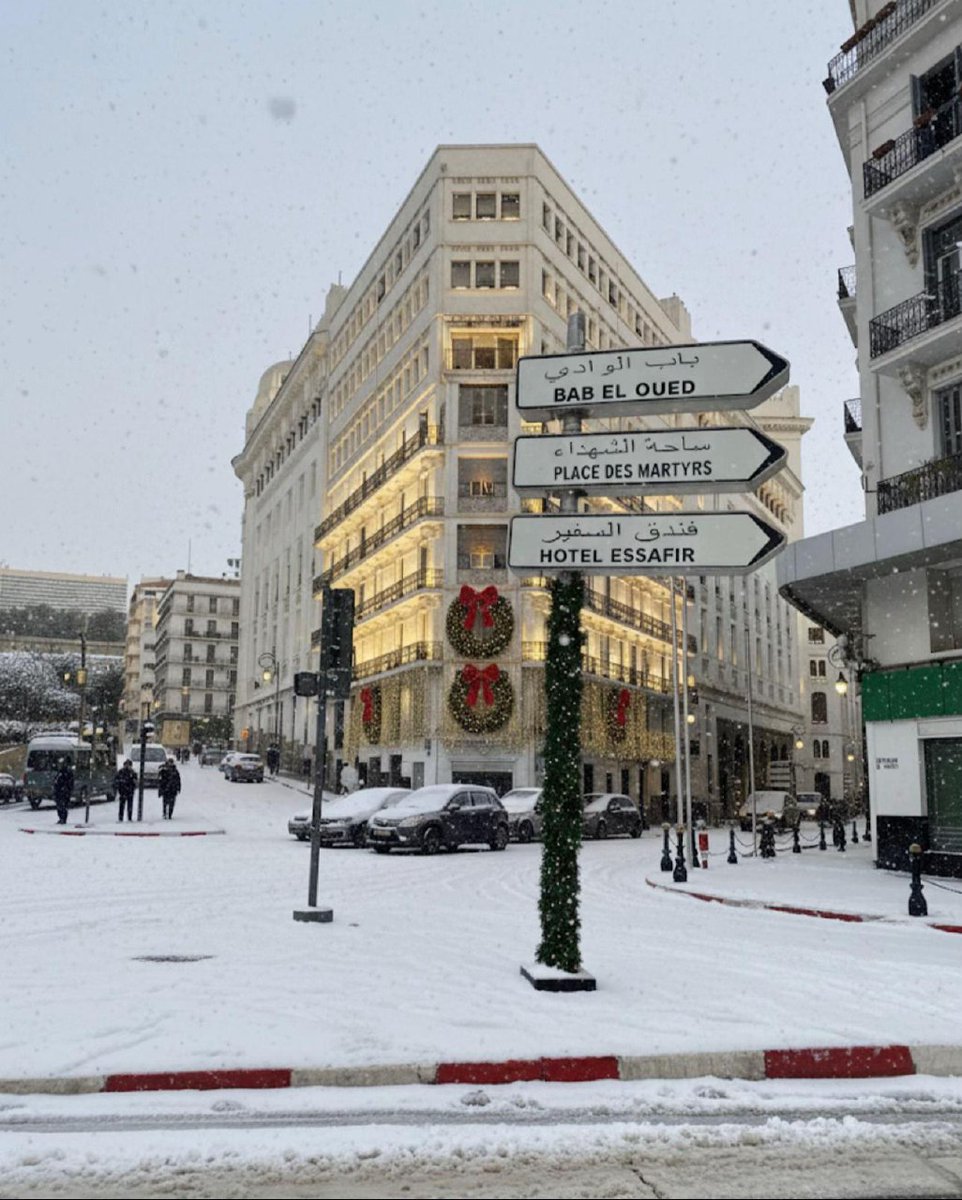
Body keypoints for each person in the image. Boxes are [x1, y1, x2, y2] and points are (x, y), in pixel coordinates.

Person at [158, 756, 181, 820]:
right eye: (169, 762)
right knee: (165, 802)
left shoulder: (175, 771)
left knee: (172, 803)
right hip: (166, 789)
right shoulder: (164, 770)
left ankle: (170, 814)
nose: (170, 764)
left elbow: (178, 780)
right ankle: (164, 813)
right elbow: (160, 779)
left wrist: (178, 788)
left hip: (173, 789)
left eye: (171, 762)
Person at [52, 759, 74, 825]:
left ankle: (63, 818)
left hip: (63, 792)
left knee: (62, 805)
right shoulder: (60, 773)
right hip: (60, 791)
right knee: (60, 805)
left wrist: (66, 789)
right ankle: (61, 818)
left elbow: (69, 782)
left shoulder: (65, 773)